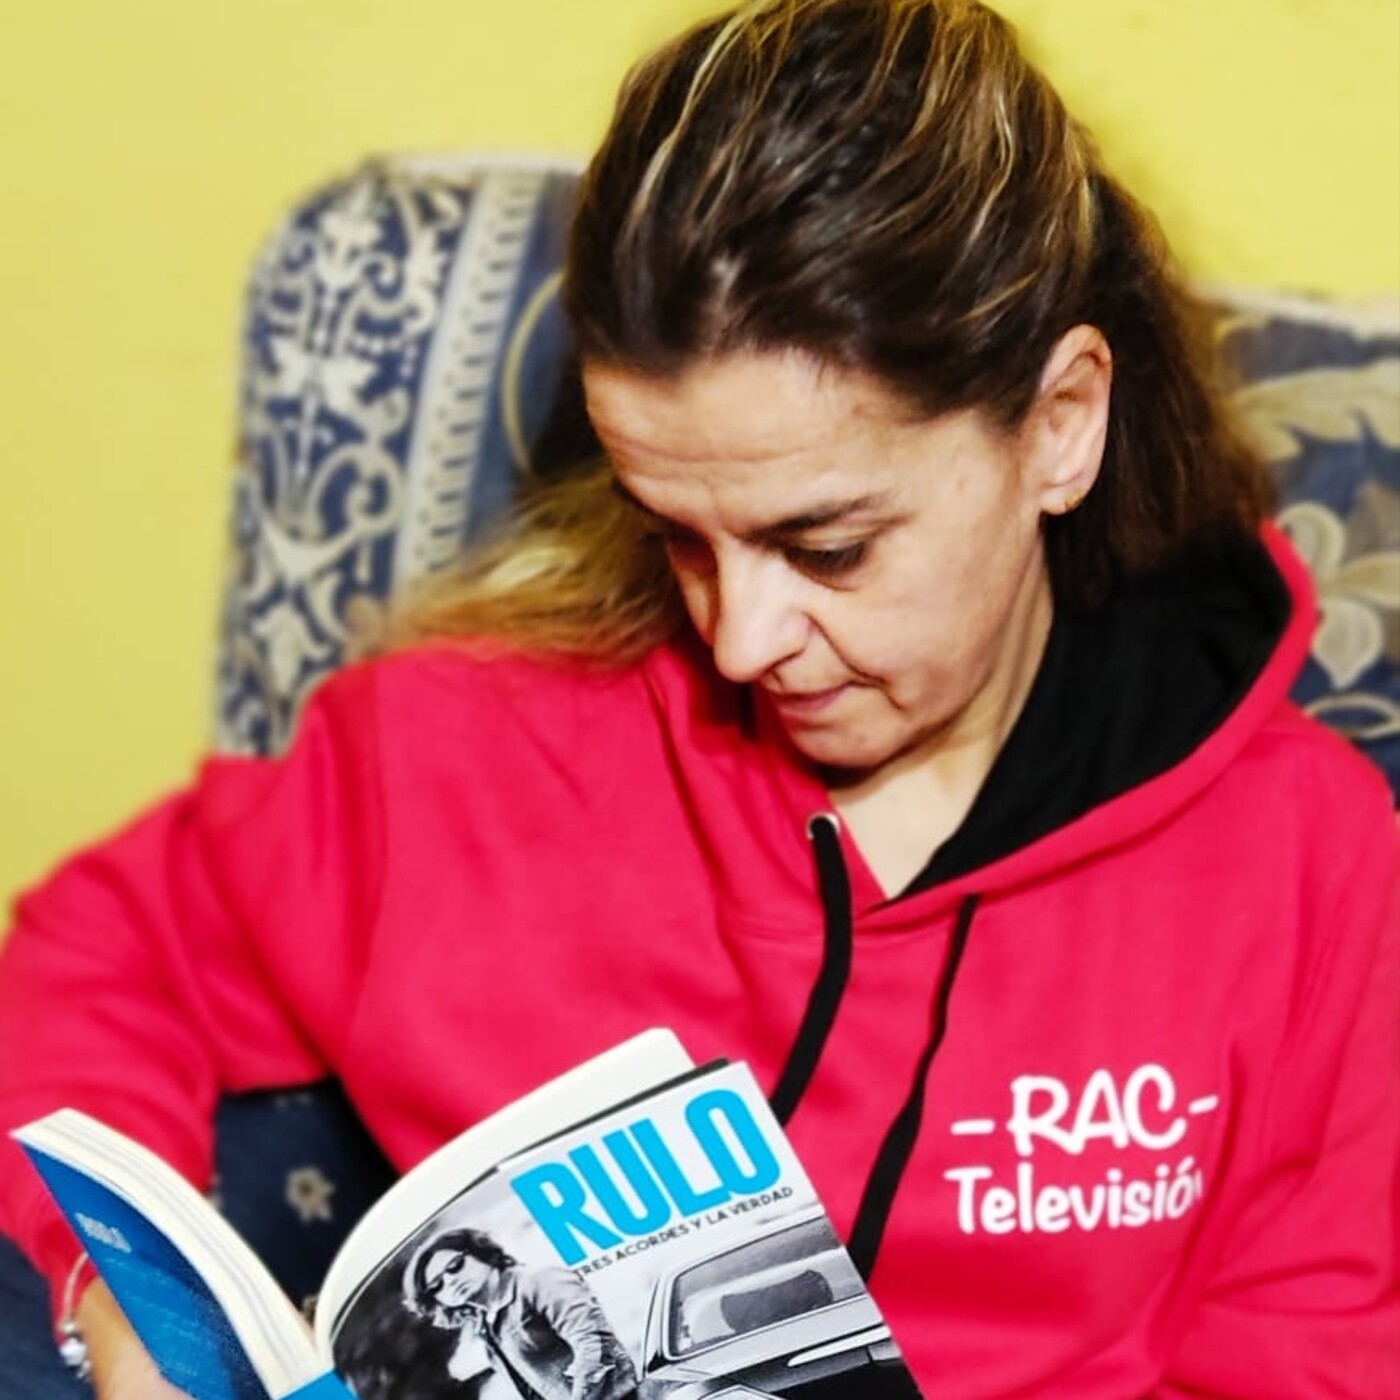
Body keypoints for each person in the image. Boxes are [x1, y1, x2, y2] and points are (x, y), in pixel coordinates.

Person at [0, 0, 1395, 1396]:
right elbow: (94, 956)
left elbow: (1311, 1359)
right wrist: (115, 1302)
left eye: (827, 547)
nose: (738, 642)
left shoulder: (1310, 873)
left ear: (1061, 425)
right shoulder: (457, 749)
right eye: (676, 533)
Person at [399, 1228, 639, 1400]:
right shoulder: (485, 1324)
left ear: (479, 1252)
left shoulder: (539, 1282)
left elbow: (597, 1348)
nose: (450, 1281)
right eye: (436, 1286)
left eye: (454, 1266)